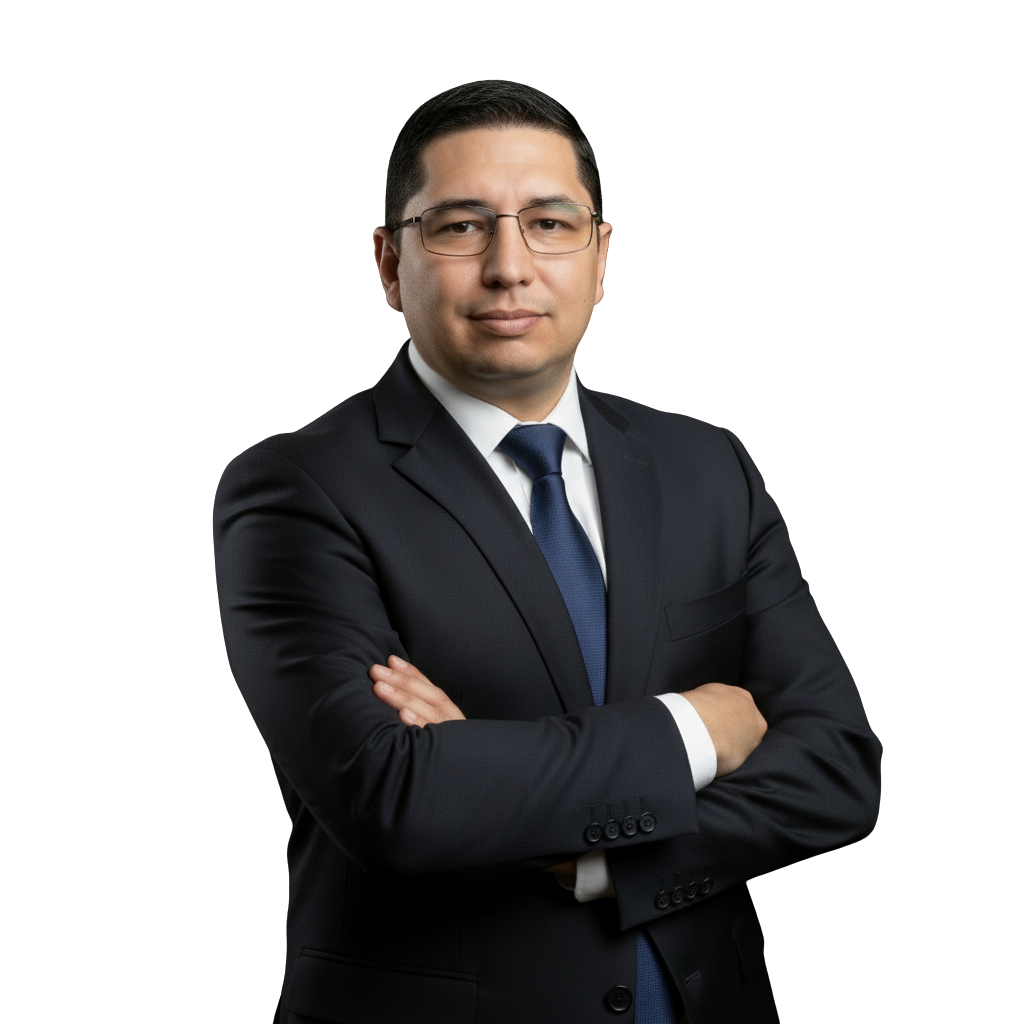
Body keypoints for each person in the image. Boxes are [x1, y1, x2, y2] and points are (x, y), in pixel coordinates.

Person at [212, 81, 881, 1024]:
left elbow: (835, 765)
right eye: (459, 227)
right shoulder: (297, 489)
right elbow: (394, 797)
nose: (509, 267)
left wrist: (595, 855)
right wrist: (698, 728)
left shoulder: (705, 468)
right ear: (390, 264)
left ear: (601, 259)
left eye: (551, 224)